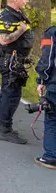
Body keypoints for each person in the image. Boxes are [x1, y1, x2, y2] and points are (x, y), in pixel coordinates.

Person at [0, 0, 34, 144]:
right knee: (12, 95)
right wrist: (21, 29)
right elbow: (4, 40)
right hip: (11, 60)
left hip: (15, 59)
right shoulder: (8, 16)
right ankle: (5, 129)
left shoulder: (15, 14)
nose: (26, 0)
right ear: (16, 0)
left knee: (7, 92)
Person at [34, 25, 56, 169]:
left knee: (52, 118)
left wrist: (42, 80)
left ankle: (50, 157)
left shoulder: (52, 33)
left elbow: (47, 58)